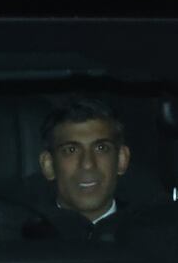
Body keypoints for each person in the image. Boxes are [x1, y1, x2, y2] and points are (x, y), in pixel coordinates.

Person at [34, 98, 131, 241]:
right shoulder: (22, 239)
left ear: (122, 159)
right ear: (48, 165)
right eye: (71, 150)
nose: (87, 164)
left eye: (101, 148)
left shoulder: (154, 234)